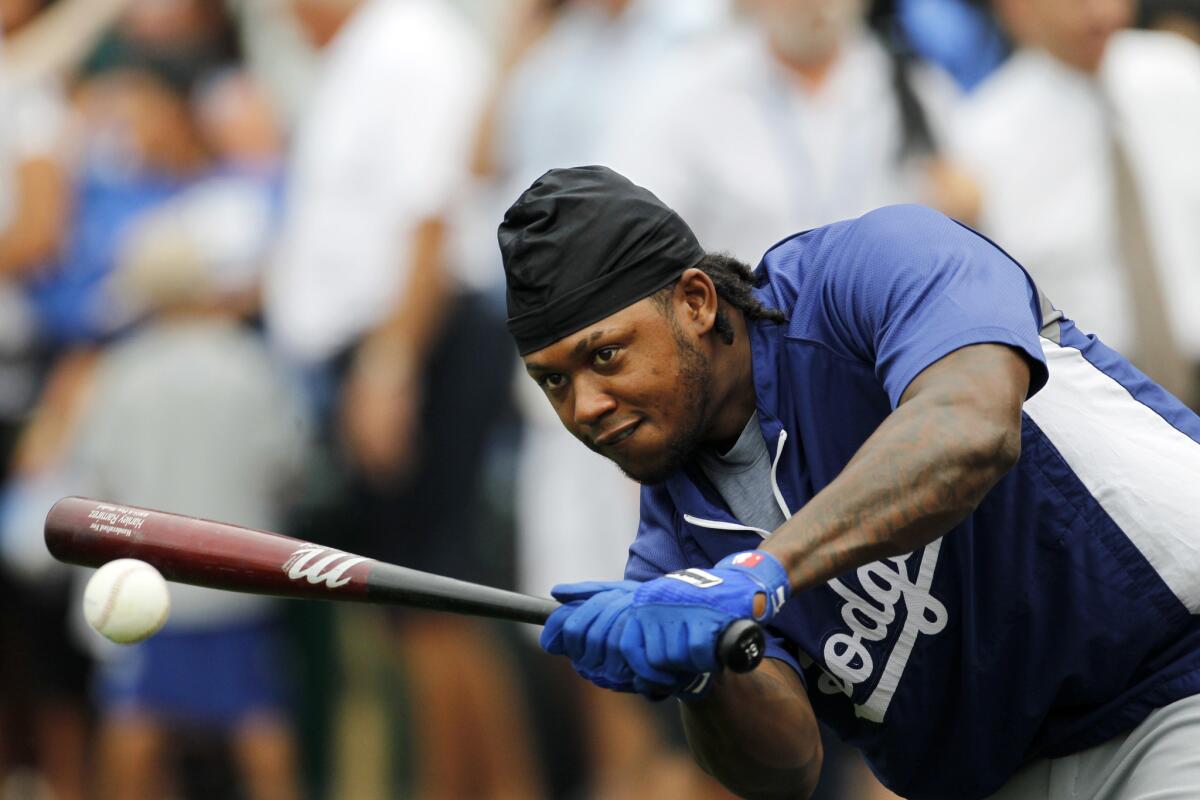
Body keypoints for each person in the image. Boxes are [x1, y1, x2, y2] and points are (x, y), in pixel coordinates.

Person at [497, 166, 1200, 800]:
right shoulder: (674, 542)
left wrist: (763, 572)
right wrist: (704, 674)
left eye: (607, 355)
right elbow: (786, 769)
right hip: (1006, 777)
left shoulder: (877, 264)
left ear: (697, 302)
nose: (583, 405)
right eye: (554, 380)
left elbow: (973, 428)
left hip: (1175, 675)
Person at [948, 0, 1200, 408]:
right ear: (1018, 11)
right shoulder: (986, 137)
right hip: (1102, 397)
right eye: (1074, 3)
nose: (1101, 14)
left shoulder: (1180, 73)